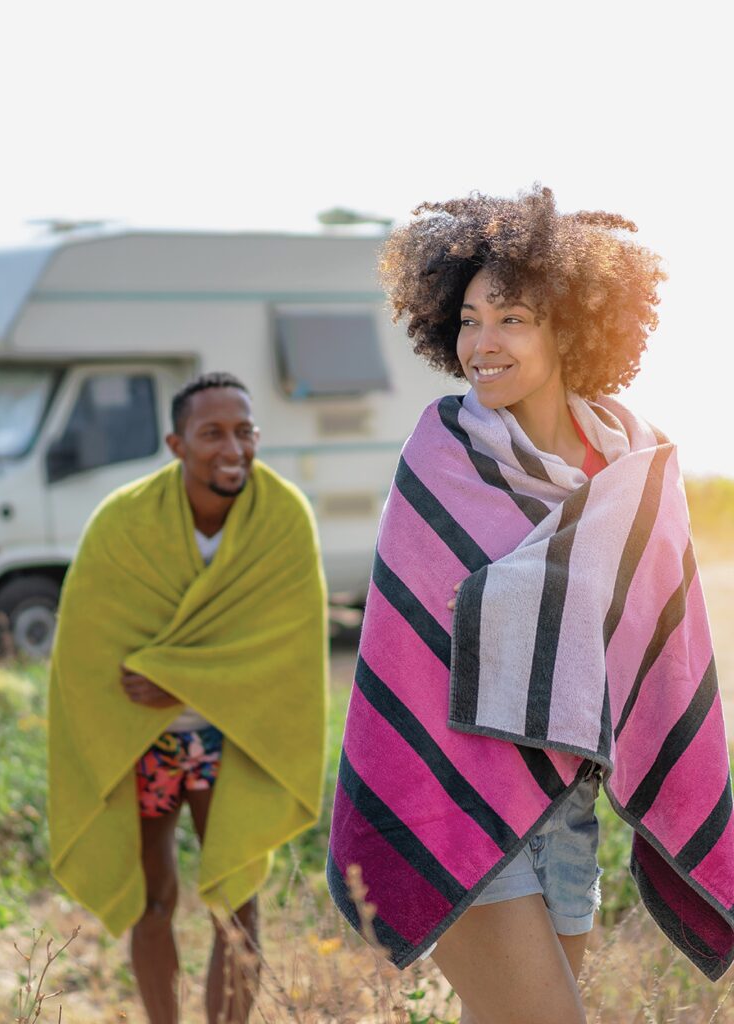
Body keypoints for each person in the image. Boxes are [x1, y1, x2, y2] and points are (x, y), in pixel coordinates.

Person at [327, 186, 734, 1023]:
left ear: (570, 328)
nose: (482, 342)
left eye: (510, 318)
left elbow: (665, 647)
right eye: (470, 319)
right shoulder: (442, 456)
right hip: (450, 799)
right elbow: (409, 645)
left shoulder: (639, 467)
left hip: (569, 809)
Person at [48, 372, 327, 1024]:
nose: (232, 448)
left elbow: (289, 652)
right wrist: (157, 682)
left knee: (239, 899)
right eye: (212, 434)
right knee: (152, 897)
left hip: (235, 738)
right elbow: (85, 646)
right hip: (142, 738)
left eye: (244, 431)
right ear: (177, 443)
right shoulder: (122, 521)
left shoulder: (283, 517)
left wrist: (183, 679)